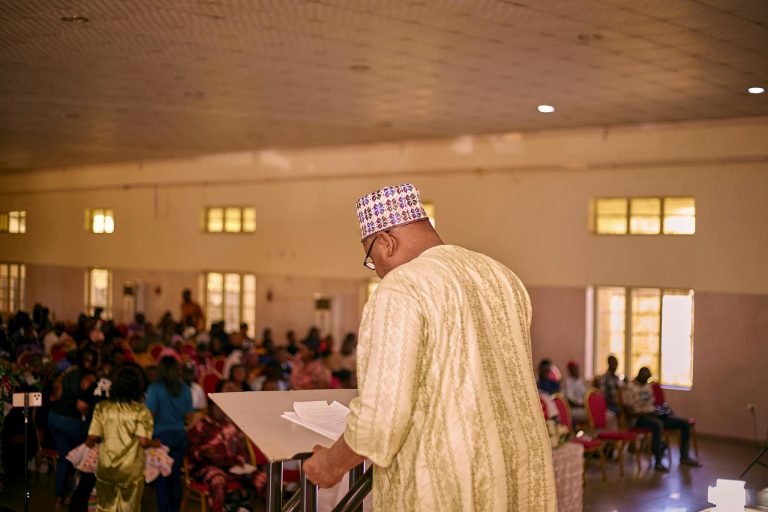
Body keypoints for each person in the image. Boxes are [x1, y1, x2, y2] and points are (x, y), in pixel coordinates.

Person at [304, 183, 556, 510]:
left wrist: (329, 465)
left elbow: (382, 418)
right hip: (518, 481)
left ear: (385, 241)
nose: (378, 270)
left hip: (446, 488)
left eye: (371, 258)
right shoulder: (502, 277)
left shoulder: (402, 287)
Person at [187, 381, 266, 512]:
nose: (221, 411)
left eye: (223, 408)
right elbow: (191, 451)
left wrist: (241, 460)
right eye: (218, 407)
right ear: (211, 406)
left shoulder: (231, 426)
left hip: (232, 467)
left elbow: (241, 449)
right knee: (218, 481)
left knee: (262, 479)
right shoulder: (201, 425)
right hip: (208, 468)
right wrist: (204, 452)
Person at [86, 363, 156, 511]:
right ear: (138, 387)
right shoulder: (141, 411)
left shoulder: (102, 407)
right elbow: (143, 442)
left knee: (104, 506)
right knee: (130, 507)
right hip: (131, 470)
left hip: (106, 467)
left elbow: (92, 437)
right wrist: (155, 443)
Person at [625, 367, 701, 472]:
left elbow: (652, 404)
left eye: (648, 378)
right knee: (658, 425)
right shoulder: (629, 388)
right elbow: (629, 412)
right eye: (645, 378)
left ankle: (684, 457)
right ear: (639, 375)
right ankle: (658, 462)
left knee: (685, 424)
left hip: (654, 414)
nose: (647, 381)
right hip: (639, 418)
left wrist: (661, 411)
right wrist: (647, 412)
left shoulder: (648, 386)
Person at [48, 348, 97, 507]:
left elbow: (58, 395)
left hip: (55, 417)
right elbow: (81, 405)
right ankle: (71, 495)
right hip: (72, 422)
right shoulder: (88, 376)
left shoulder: (68, 372)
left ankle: (58, 498)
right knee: (78, 459)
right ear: (90, 361)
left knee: (64, 458)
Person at [146, 356, 193, 512]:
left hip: (161, 438)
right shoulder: (184, 387)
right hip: (180, 436)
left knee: (162, 479)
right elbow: (188, 416)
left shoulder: (155, 388)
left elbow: (150, 415)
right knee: (175, 478)